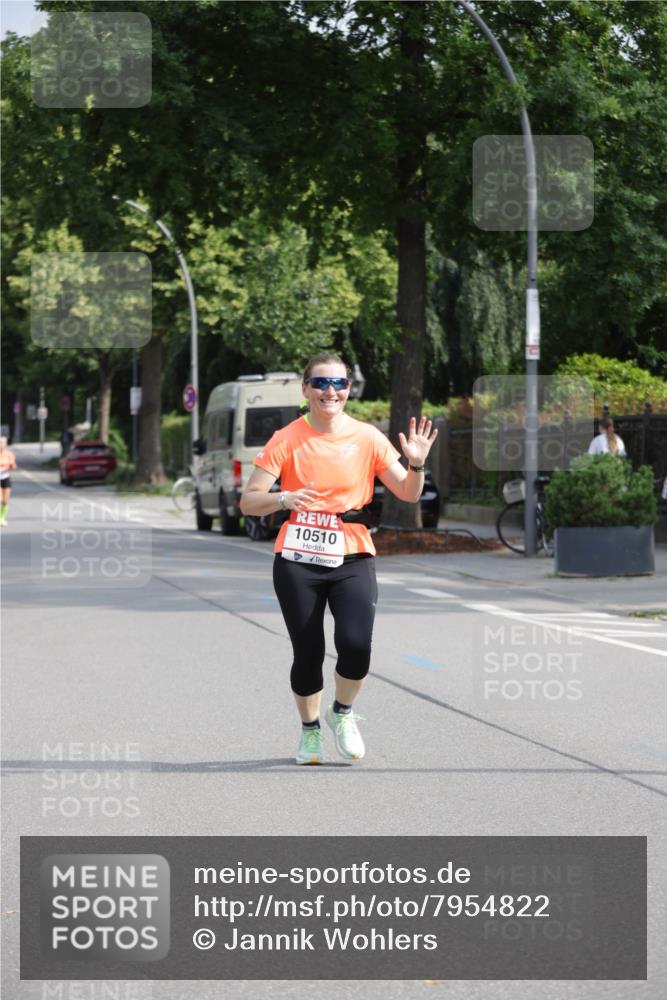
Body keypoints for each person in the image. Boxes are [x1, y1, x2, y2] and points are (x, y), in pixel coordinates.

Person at [240, 353, 438, 765]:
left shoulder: (367, 437)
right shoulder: (287, 438)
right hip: (298, 555)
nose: (331, 392)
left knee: (355, 645)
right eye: (321, 383)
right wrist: (283, 497)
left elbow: (408, 492)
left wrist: (416, 462)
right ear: (306, 389)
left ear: (349, 388)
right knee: (308, 652)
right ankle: (310, 730)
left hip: (352, 551)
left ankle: (342, 714)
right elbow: (248, 502)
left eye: (339, 384)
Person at [0, 436, 17, 525]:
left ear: (5, 444)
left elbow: (14, 466)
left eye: (2, 443)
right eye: (0, 443)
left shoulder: (9, 454)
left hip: (5, 478)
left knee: (5, 501)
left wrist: (11, 465)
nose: (1, 445)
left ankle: (1, 518)